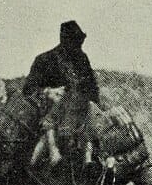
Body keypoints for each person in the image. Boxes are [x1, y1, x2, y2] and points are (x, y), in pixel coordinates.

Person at [24, 20, 100, 167]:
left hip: (80, 109)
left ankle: (91, 159)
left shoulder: (82, 59)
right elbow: (28, 89)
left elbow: (92, 87)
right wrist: (48, 91)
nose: (79, 45)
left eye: (80, 41)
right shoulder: (44, 60)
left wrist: (95, 105)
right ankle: (53, 154)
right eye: (75, 41)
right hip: (54, 111)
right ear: (65, 41)